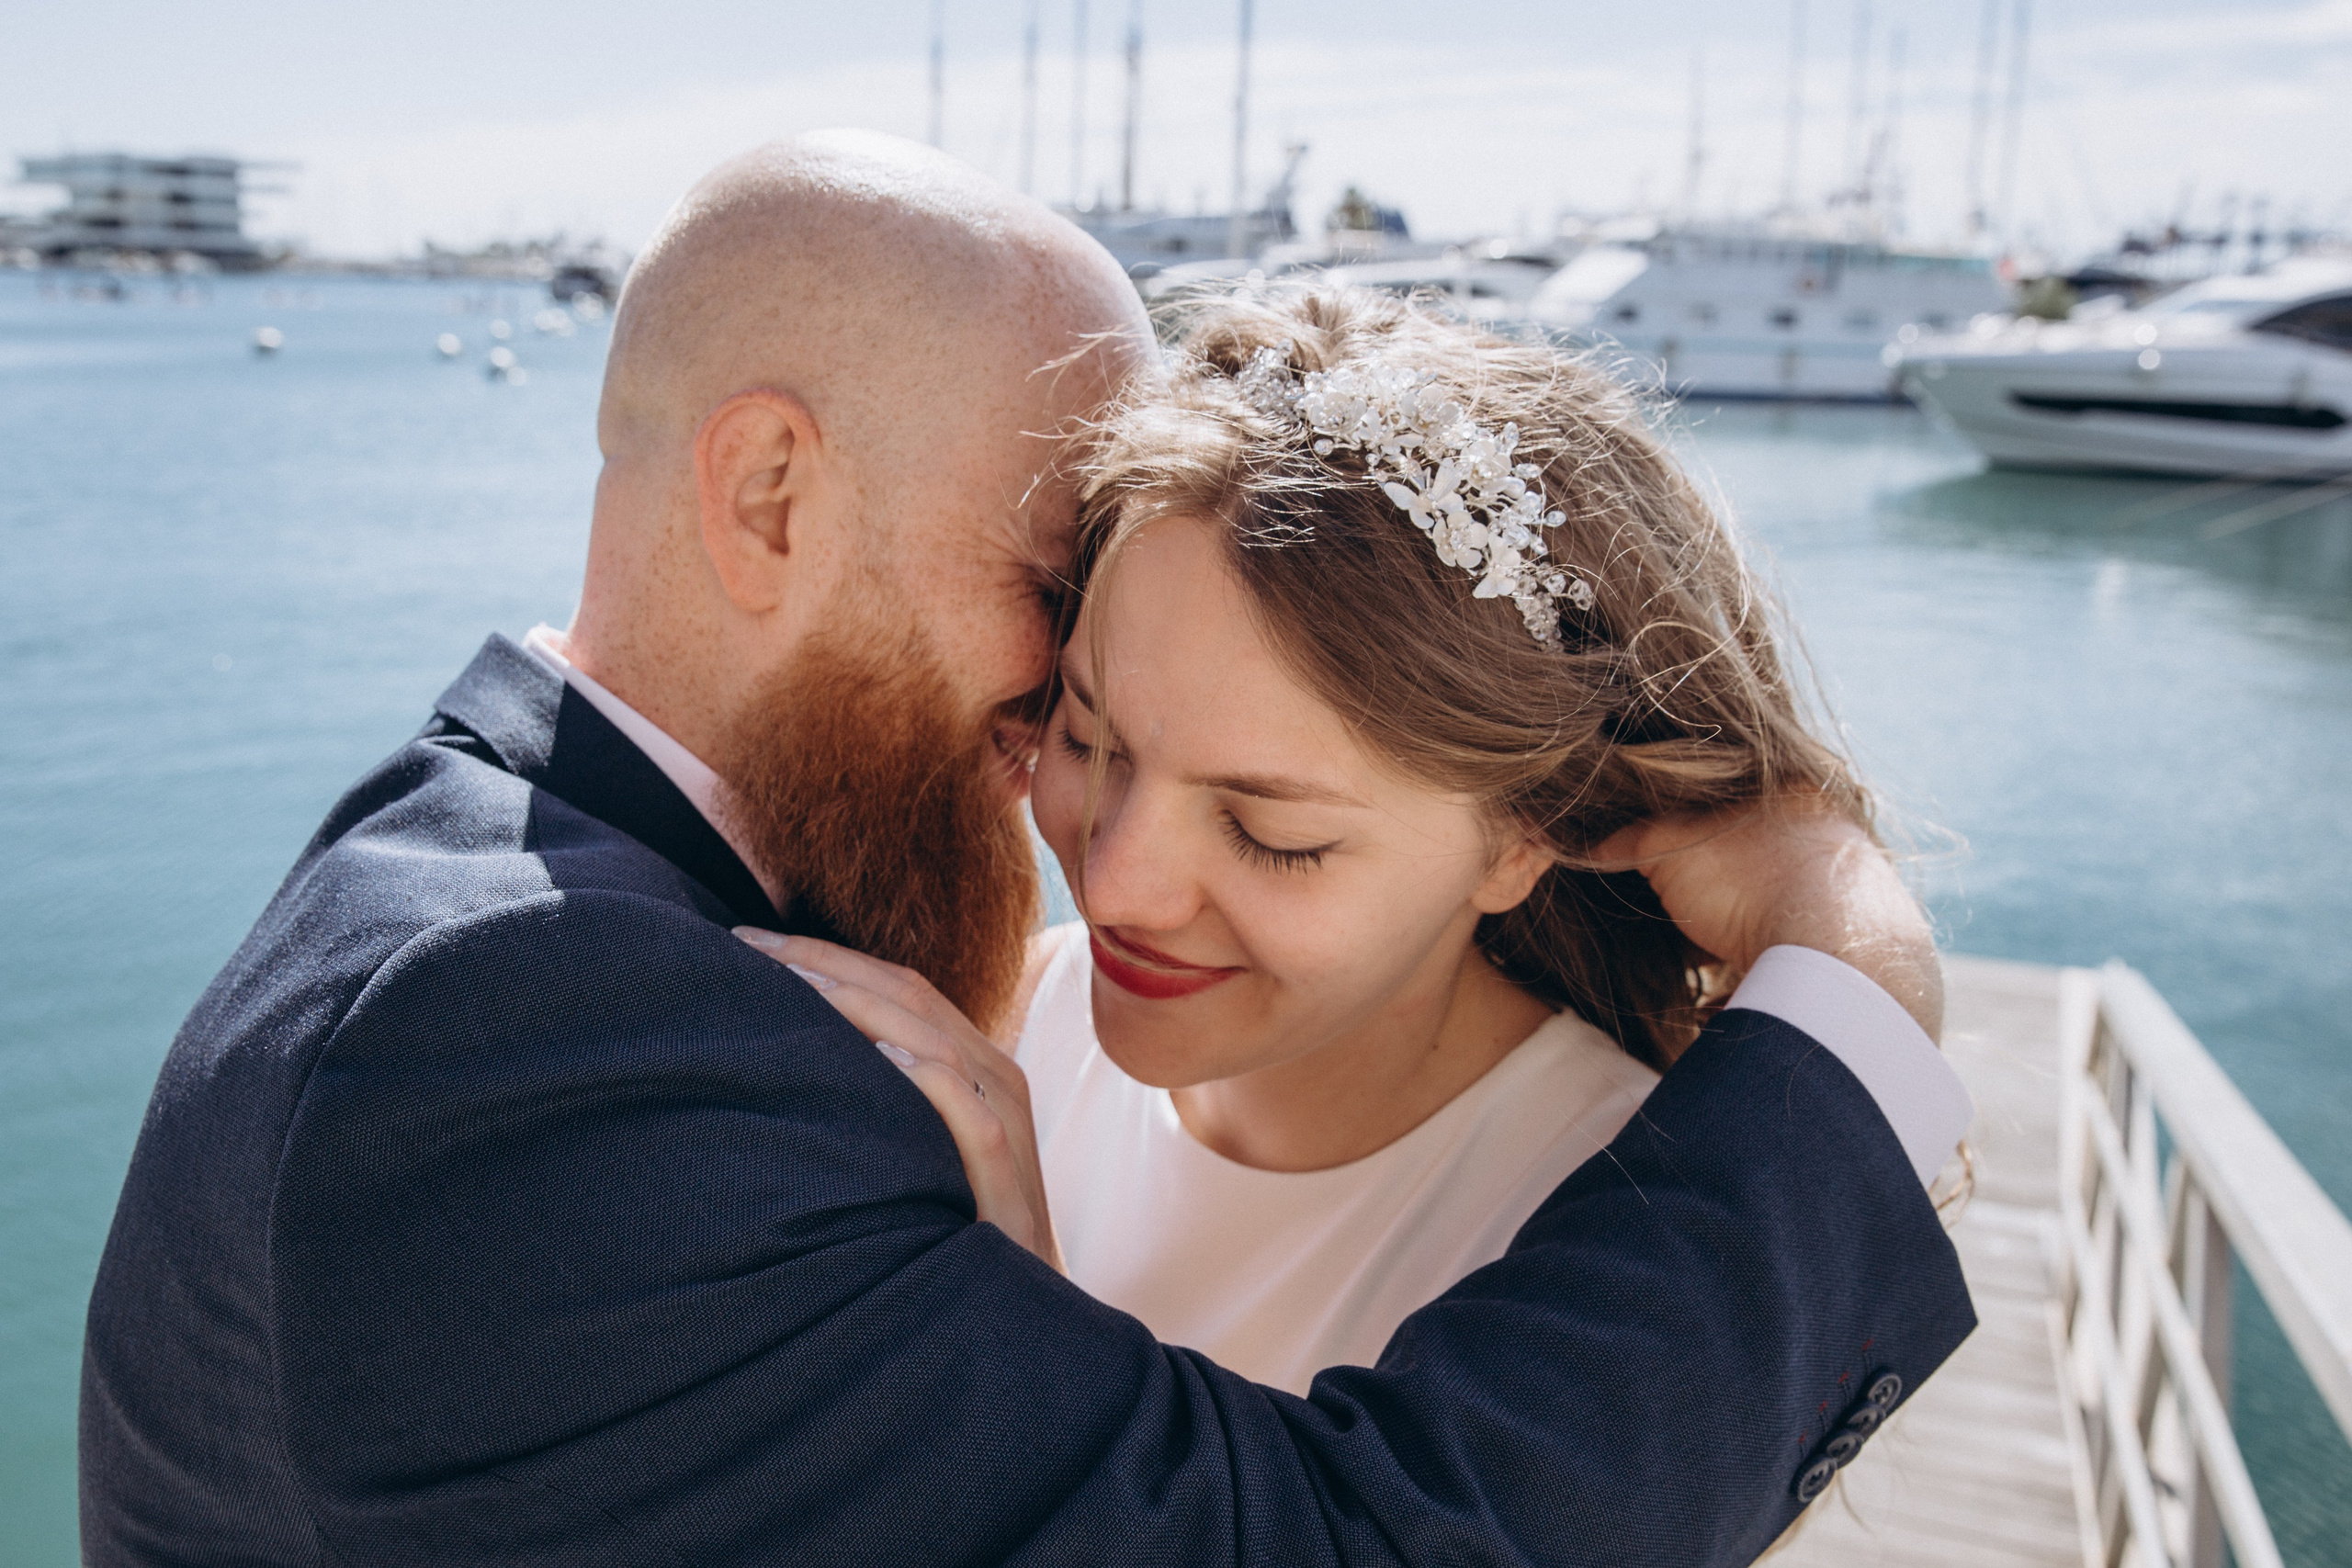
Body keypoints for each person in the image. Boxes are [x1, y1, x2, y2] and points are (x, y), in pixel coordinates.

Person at [82, 133, 1973, 1568]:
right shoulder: (550, 1017)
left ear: (1517, 837)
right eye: (1068, 668)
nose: (1107, 862)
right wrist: (1851, 975)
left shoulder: (573, 930)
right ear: (768, 494)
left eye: (1275, 823)